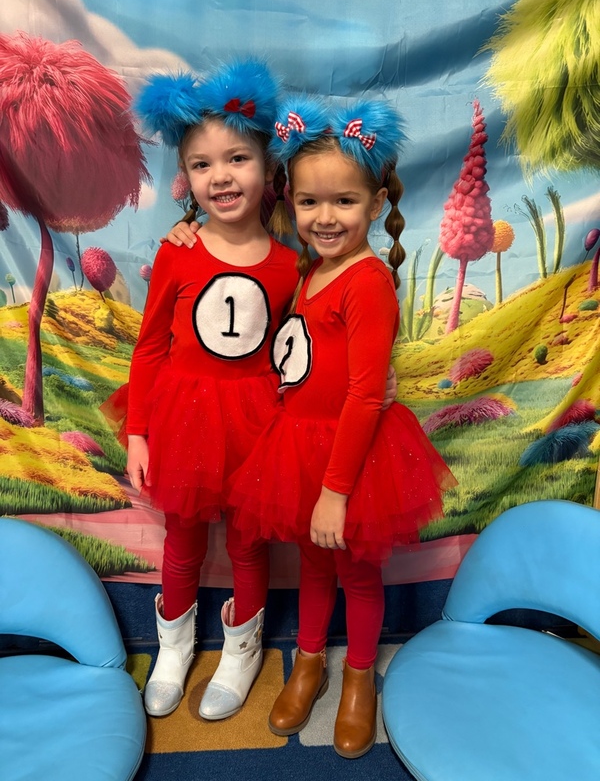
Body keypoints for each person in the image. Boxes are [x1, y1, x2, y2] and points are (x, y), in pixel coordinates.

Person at [103, 59, 400, 723]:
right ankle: (172, 647)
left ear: (271, 172)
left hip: (257, 425)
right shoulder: (177, 251)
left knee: (248, 542)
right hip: (183, 421)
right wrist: (141, 430)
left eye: (237, 158)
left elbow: (317, 353)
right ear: (186, 179)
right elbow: (150, 346)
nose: (221, 176)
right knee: (182, 538)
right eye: (202, 165)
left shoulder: (294, 262)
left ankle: (243, 650)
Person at [224, 95, 457, 758]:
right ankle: (308, 662)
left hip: (350, 461)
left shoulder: (367, 280)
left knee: (355, 571)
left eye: (344, 203)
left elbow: (361, 394)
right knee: (312, 568)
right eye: (309, 203)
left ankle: (358, 681)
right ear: (289, 202)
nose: (324, 218)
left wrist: (335, 490)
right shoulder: (312, 273)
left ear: (376, 203)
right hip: (300, 446)